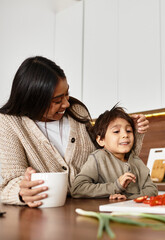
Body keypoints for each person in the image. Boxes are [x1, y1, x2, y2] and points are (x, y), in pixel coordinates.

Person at [0, 56, 149, 207]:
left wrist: (135, 133)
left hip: (95, 206)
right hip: (45, 212)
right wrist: (21, 192)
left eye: (67, 93)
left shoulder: (77, 112)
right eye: (57, 100)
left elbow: (113, 158)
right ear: (34, 101)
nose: (66, 103)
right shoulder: (9, 123)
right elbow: (11, 180)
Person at [71, 106, 157, 200]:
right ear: (100, 140)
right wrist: (116, 186)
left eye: (129, 131)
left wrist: (130, 198)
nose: (125, 135)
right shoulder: (98, 158)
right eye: (116, 131)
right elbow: (78, 188)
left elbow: (152, 189)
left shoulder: (136, 161)